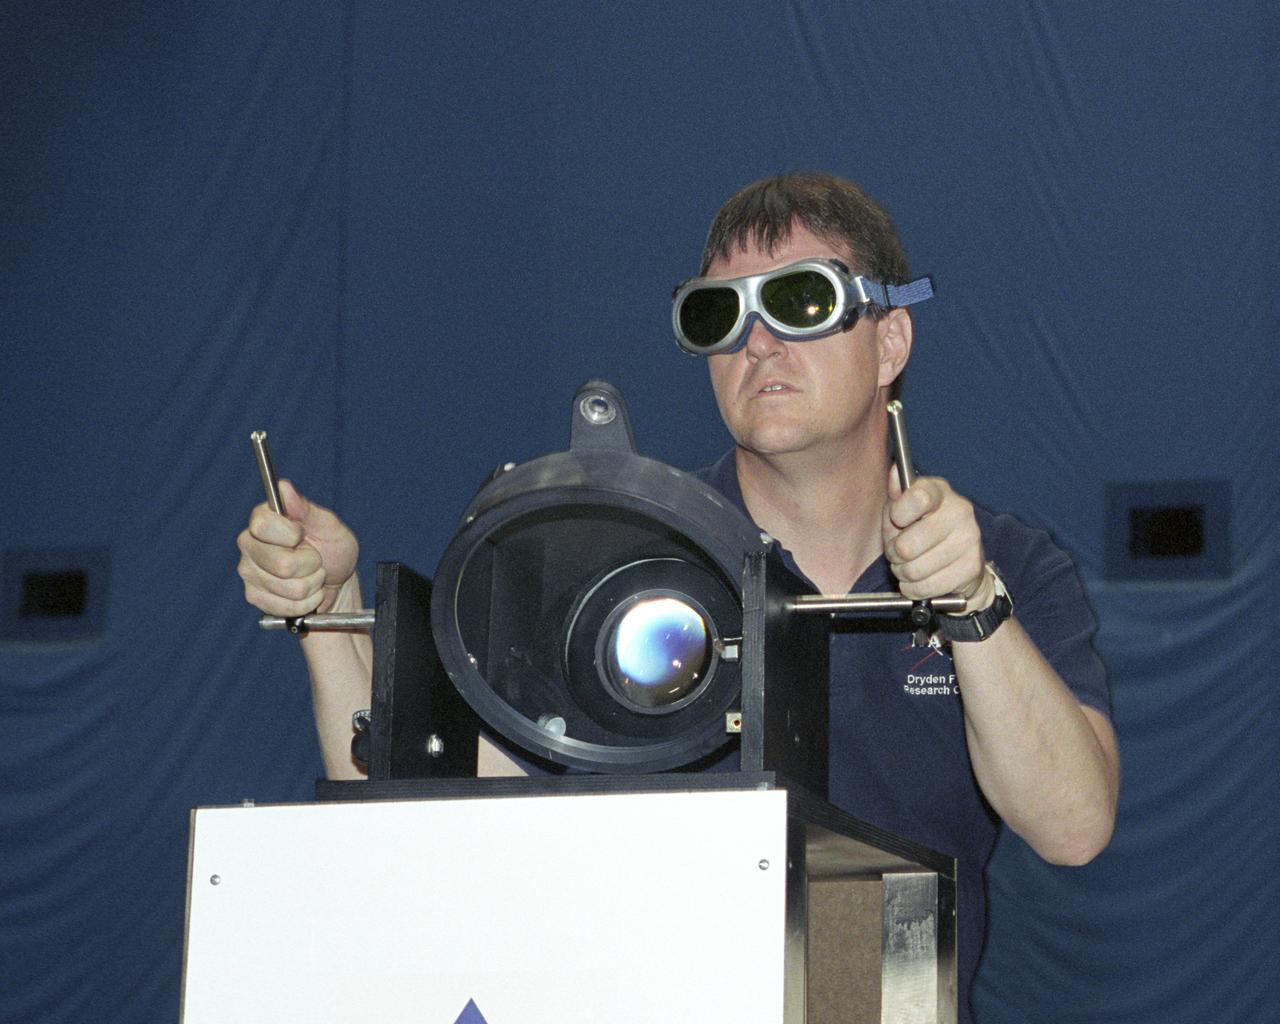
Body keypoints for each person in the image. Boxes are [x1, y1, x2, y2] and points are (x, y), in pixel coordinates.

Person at [237, 171, 1119, 1021]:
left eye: (799, 301)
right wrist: (324, 613)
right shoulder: (618, 554)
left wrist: (972, 605)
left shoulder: (1009, 565)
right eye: (719, 314)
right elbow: (433, 814)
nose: (757, 342)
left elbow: (1074, 825)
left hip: (879, 993)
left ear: (889, 340)